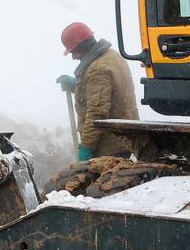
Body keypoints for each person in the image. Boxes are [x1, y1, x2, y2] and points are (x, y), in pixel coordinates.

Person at [56, 22, 139, 161]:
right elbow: (106, 94)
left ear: (81, 47)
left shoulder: (98, 69)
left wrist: (86, 147)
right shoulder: (111, 56)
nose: (73, 57)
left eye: (73, 52)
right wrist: (78, 86)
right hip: (125, 137)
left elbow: (97, 113)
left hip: (110, 146)